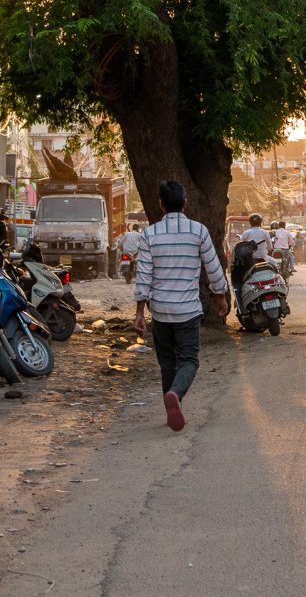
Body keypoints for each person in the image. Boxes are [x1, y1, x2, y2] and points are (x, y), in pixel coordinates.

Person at [133, 180, 228, 433]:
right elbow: (213, 268)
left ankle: (171, 406)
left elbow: (143, 275)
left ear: (161, 204)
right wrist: (220, 296)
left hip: (161, 310)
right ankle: (175, 394)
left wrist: (139, 312)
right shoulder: (199, 231)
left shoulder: (149, 235)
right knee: (188, 360)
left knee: (166, 361)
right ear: (185, 203)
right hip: (187, 310)